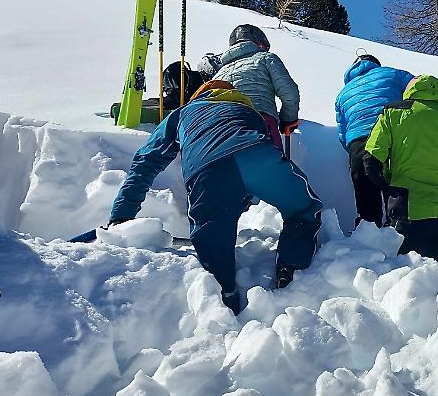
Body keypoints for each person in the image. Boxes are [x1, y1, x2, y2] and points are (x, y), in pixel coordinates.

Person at [107, 80, 322, 314]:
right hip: (257, 156)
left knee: (213, 246)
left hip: (207, 171)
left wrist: (122, 215)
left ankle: (223, 301)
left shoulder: (183, 113)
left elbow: (145, 162)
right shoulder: (249, 110)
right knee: (304, 209)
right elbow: (250, 167)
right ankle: (291, 271)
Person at [364, 75, 438, 263]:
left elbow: (371, 159)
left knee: (404, 279)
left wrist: (388, 188)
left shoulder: (393, 112)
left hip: (407, 211)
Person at [335, 53, 414, 227]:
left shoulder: (343, 93)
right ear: (376, 65)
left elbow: (342, 131)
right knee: (393, 188)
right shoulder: (393, 74)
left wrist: (355, 150)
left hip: (358, 143)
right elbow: (418, 89)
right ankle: (398, 235)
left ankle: (367, 238)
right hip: (390, 134)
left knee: (365, 195)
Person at [215, 24, 300, 151]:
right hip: (258, 122)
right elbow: (289, 93)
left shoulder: (219, 73)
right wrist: (288, 120)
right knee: (270, 167)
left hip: (222, 130)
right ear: (258, 42)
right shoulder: (265, 58)